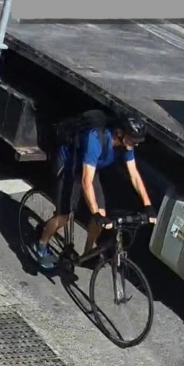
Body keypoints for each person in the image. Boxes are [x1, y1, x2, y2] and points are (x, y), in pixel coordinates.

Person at [30, 114, 157, 271]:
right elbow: (86, 181)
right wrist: (94, 211)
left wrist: (147, 205)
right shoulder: (95, 139)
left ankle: (87, 254)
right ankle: (41, 244)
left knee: (101, 215)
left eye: (138, 141)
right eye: (133, 140)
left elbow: (134, 175)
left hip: (89, 169)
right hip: (70, 168)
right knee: (63, 217)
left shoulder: (127, 146)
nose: (136, 144)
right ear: (119, 133)